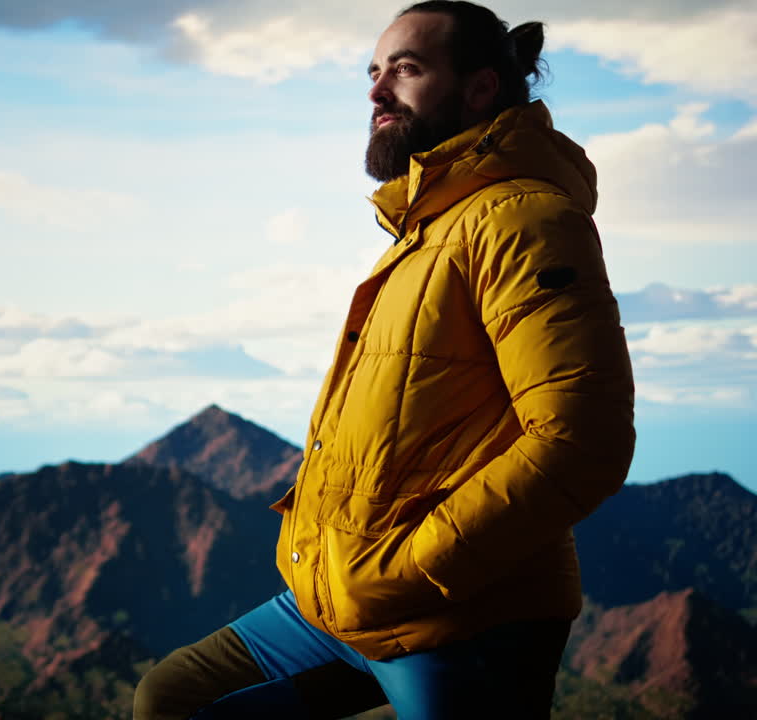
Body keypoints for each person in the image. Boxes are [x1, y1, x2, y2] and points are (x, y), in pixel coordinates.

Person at [133, 2, 636, 718]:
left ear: (481, 88)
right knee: (169, 696)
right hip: (341, 604)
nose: (375, 91)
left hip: (463, 619)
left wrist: (407, 569)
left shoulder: (522, 220)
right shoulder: (427, 228)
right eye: (373, 72)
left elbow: (584, 442)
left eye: (405, 69)